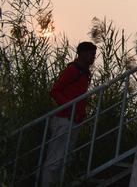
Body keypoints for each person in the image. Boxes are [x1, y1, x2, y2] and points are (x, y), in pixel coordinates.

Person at [40, 41, 96, 187]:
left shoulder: (84, 72)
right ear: (82, 53)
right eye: (91, 54)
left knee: (65, 159)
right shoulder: (72, 70)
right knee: (54, 159)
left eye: (94, 54)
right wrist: (70, 108)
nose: (93, 57)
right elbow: (55, 91)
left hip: (74, 120)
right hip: (64, 119)